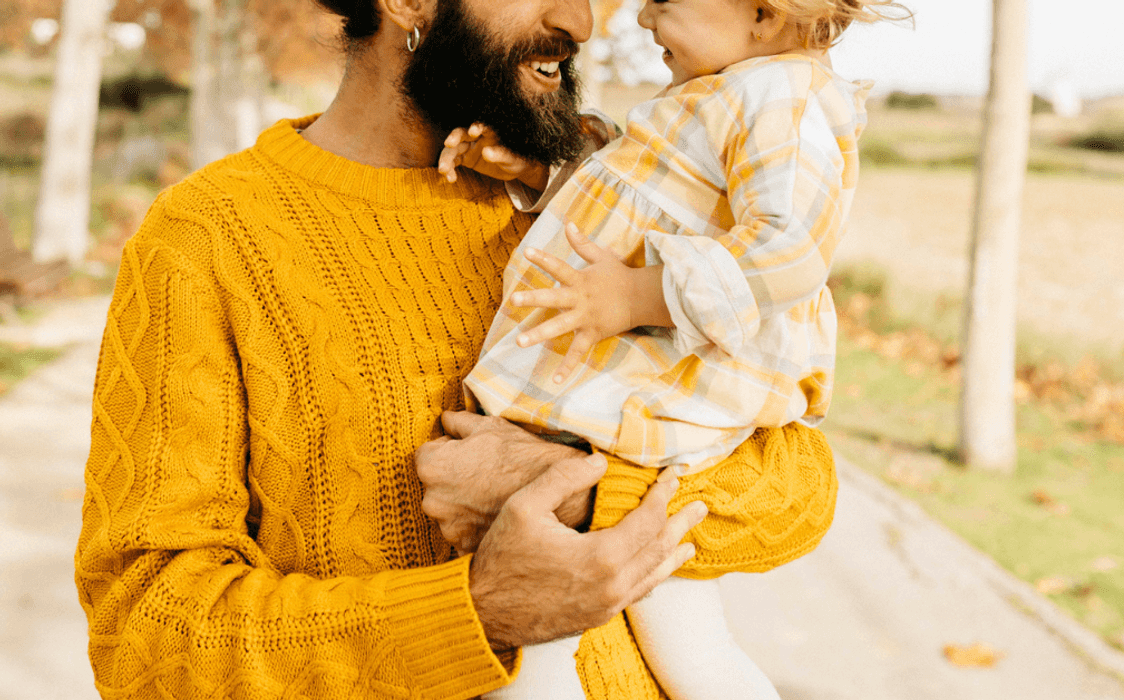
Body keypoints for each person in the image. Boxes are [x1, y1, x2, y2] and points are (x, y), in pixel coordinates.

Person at [74, 0, 841, 697]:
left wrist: (580, 493)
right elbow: (144, 636)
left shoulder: (596, 207)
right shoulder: (210, 238)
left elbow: (802, 488)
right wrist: (477, 609)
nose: (582, 22)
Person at [437, 0, 902, 698]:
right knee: (691, 646)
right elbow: (631, 199)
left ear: (763, 16)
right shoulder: (724, 91)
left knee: (537, 643)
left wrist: (635, 298)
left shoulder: (781, 99)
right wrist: (532, 171)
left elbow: (791, 252)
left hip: (647, 397)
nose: (639, 19)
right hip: (639, 404)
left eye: (663, 1)